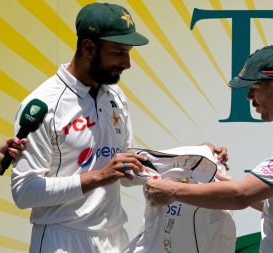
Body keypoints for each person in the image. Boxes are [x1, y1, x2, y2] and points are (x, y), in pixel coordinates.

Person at [11, 3, 227, 253]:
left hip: (115, 239)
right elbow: (24, 192)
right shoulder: (42, 105)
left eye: (128, 52)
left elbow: (127, 169)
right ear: (89, 48)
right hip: (61, 239)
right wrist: (99, 176)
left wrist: (188, 159)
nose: (127, 63)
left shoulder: (115, 94)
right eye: (118, 52)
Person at [146, 45, 273, 253]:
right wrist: (226, 183)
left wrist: (173, 190)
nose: (248, 97)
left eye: (255, 88)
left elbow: (239, 196)